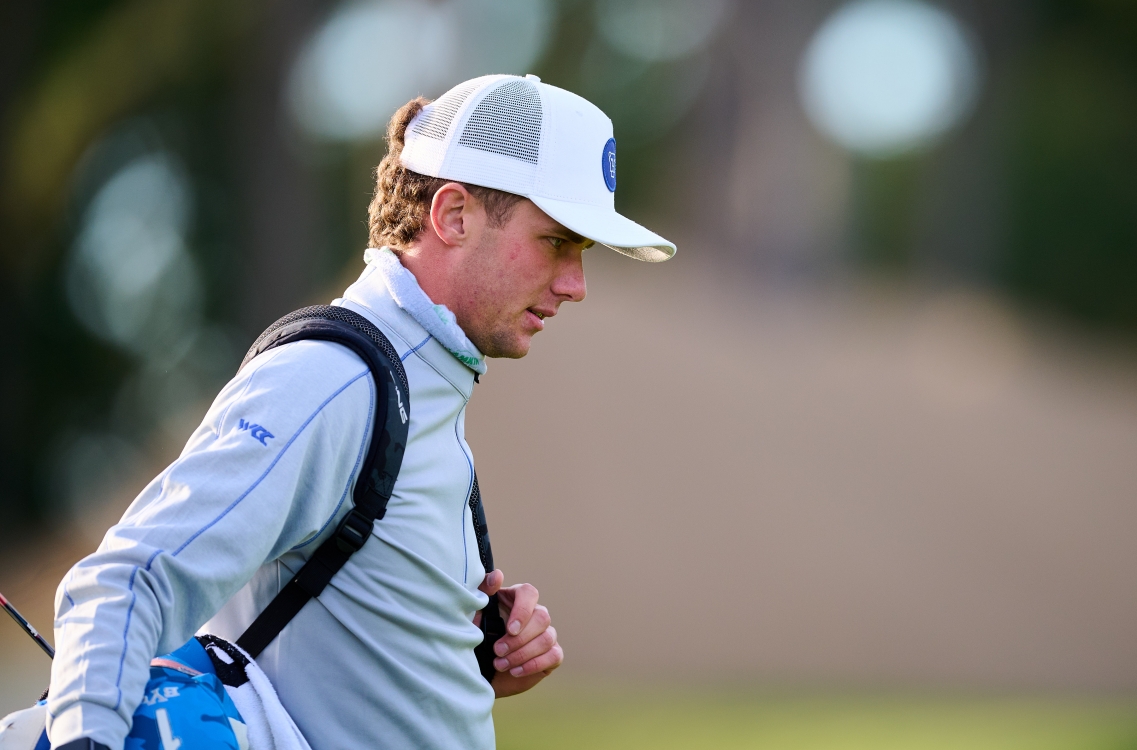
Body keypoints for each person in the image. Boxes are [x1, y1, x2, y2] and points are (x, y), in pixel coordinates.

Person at [43, 74, 675, 750]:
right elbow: (128, 580)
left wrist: (458, 663)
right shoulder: (333, 380)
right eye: (558, 241)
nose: (576, 285)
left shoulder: (422, 382)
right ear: (454, 215)